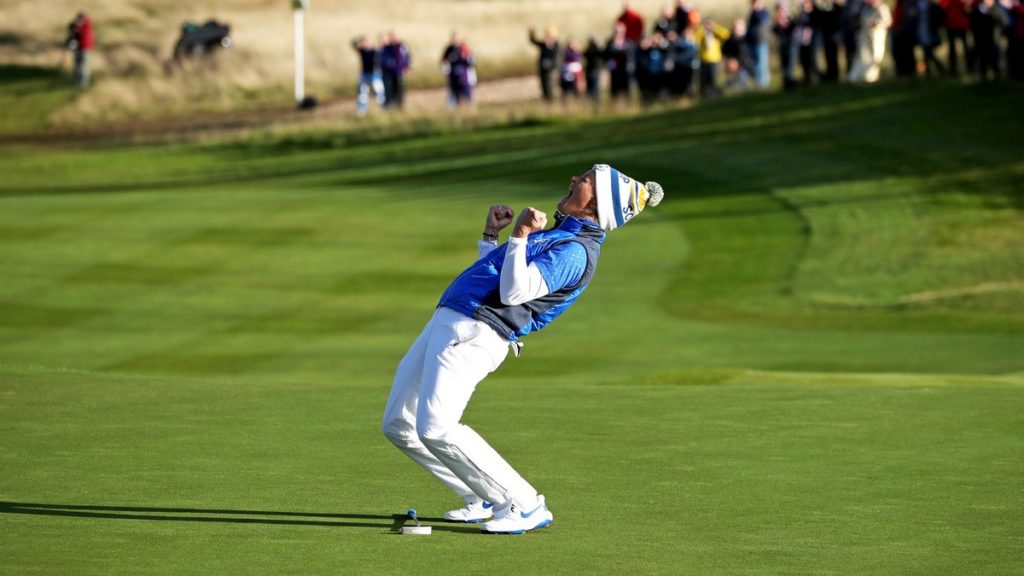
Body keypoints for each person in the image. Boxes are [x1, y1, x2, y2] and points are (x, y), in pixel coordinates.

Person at [381, 165, 664, 535]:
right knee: (398, 424)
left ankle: (524, 504)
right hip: (452, 321)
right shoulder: (560, 236)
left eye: (586, 180)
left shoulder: (575, 252)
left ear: (596, 206)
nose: (575, 179)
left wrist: (520, 235)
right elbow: (494, 275)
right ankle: (480, 496)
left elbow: (514, 294)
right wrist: (491, 237)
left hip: (475, 333)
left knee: (436, 426)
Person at [848, 0, 893, 82]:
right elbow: (861, 22)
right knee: (865, 56)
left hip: (878, 37)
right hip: (865, 37)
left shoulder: (882, 8)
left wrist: (876, 24)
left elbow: (887, 21)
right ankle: (864, 77)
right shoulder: (865, 9)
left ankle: (873, 76)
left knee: (877, 57)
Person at [696, 19, 731, 98]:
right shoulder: (702, 35)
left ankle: (713, 94)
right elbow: (695, 38)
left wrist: (715, 28)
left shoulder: (716, 34)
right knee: (703, 79)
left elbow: (726, 35)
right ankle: (703, 95)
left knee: (712, 78)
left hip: (714, 60)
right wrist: (702, 30)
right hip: (704, 59)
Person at [352, 35, 385, 116]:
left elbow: (382, 49)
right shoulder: (362, 51)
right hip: (365, 74)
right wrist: (358, 40)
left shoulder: (375, 51)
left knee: (379, 91)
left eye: (366, 42)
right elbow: (353, 44)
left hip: (375, 74)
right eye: (363, 42)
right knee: (363, 92)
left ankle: (383, 107)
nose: (365, 44)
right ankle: (361, 110)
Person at [441, 32, 476, 107]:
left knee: (467, 95)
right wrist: (445, 70)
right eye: (453, 38)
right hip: (453, 76)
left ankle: (470, 108)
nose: (455, 40)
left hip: (464, 77)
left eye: (456, 38)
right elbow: (444, 61)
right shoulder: (449, 49)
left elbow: (471, 62)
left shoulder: (464, 48)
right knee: (454, 95)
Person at [941, 0, 975, 74]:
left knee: (966, 48)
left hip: (960, 25)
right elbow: (942, 7)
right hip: (952, 25)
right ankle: (954, 68)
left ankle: (970, 67)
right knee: (953, 48)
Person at [529, 26, 561, 101]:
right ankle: (546, 99)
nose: (548, 37)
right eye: (547, 36)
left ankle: (552, 100)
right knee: (543, 85)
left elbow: (557, 57)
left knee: (551, 86)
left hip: (552, 69)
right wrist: (531, 33)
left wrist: (552, 64)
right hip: (543, 68)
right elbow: (533, 41)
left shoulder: (557, 45)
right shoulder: (543, 45)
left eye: (550, 36)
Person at [380, 31, 411, 109]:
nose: (393, 39)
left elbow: (408, 58)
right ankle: (388, 107)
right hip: (388, 73)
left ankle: (399, 106)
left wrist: (407, 67)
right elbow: (382, 60)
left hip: (399, 72)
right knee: (389, 91)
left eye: (394, 37)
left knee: (400, 90)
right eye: (391, 37)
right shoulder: (386, 48)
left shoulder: (403, 47)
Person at [747, 0, 774, 88]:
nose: (754, 5)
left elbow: (762, 20)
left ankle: (763, 84)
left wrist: (757, 11)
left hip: (761, 42)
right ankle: (759, 83)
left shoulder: (763, 13)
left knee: (761, 64)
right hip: (752, 42)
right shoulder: (753, 14)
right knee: (755, 64)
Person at [775, 0, 800, 89]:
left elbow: (795, 28)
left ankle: (791, 82)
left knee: (790, 64)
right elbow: (776, 32)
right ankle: (786, 83)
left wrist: (786, 23)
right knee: (784, 64)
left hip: (792, 45)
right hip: (783, 45)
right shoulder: (778, 21)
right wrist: (779, 24)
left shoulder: (791, 18)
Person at [606, 23, 634, 101]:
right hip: (615, 70)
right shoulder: (610, 42)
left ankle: (627, 103)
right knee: (614, 89)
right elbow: (607, 54)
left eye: (620, 31)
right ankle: (614, 104)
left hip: (625, 69)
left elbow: (630, 54)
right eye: (617, 31)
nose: (618, 33)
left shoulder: (628, 42)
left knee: (626, 88)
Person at [722, 19, 753, 90]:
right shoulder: (729, 40)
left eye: (738, 28)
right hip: (733, 63)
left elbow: (746, 54)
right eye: (735, 28)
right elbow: (724, 51)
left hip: (745, 63)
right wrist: (730, 60)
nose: (736, 30)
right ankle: (732, 84)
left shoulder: (746, 39)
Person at [67, 12, 94, 89]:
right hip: (78, 48)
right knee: (77, 66)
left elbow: (84, 35)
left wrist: (77, 30)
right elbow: (72, 29)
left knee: (83, 67)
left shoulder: (86, 25)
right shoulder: (79, 25)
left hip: (85, 49)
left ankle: (83, 84)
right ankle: (77, 83)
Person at [583, 36, 605, 102]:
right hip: (589, 70)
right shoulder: (588, 49)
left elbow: (602, 54)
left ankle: (595, 100)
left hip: (595, 70)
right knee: (589, 85)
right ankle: (589, 100)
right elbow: (585, 54)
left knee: (595, 86)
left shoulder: (597, 50)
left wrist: (598, 44)